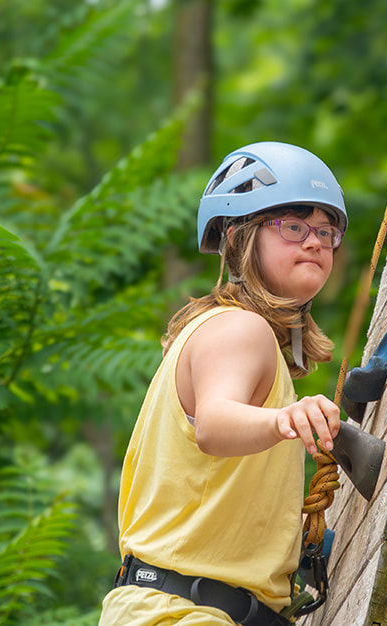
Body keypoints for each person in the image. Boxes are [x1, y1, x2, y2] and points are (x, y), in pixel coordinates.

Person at [100, 142, 347, 626]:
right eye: (293, 226)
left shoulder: (227, 332)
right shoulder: (240, 328)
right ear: (239, 237)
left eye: (325, 230)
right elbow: (214, 423)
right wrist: (285, 419)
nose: (315, 242)